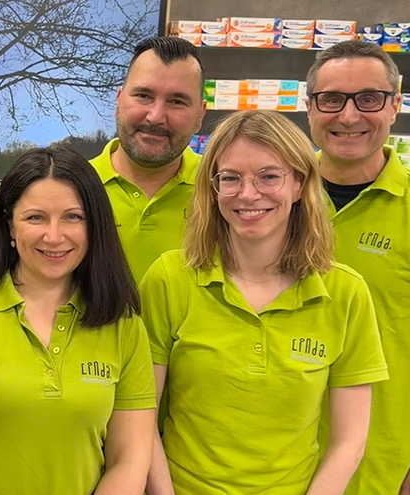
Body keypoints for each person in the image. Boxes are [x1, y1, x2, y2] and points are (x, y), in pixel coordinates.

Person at [143, 110, 388, 494]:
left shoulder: (344, 293)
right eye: (231, 178)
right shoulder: (171, 278)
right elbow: (139, 418)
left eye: (269, 176)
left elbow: (349, 440)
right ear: (213, 188)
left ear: (299, 184)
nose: (248, 193)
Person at [0, 146, 155, 495]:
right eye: (35, 218)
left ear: (95, 226)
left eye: (73, 217)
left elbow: (130, 460)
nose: (54, 236)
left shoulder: (122, 323)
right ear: (9, 224)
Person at [306, 40, 410, 495]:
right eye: (331, 99)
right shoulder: (268, 201)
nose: (348, 117)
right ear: (308, 107)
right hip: (269, 461)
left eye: (369, 98)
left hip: (380, 468)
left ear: (396, 103)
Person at [90, 36, 206, 283]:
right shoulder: (73, 188)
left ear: (200, 114)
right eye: (143, 96)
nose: (155, 116)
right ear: (119, 99)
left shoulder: (225, 193)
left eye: (177, 101)